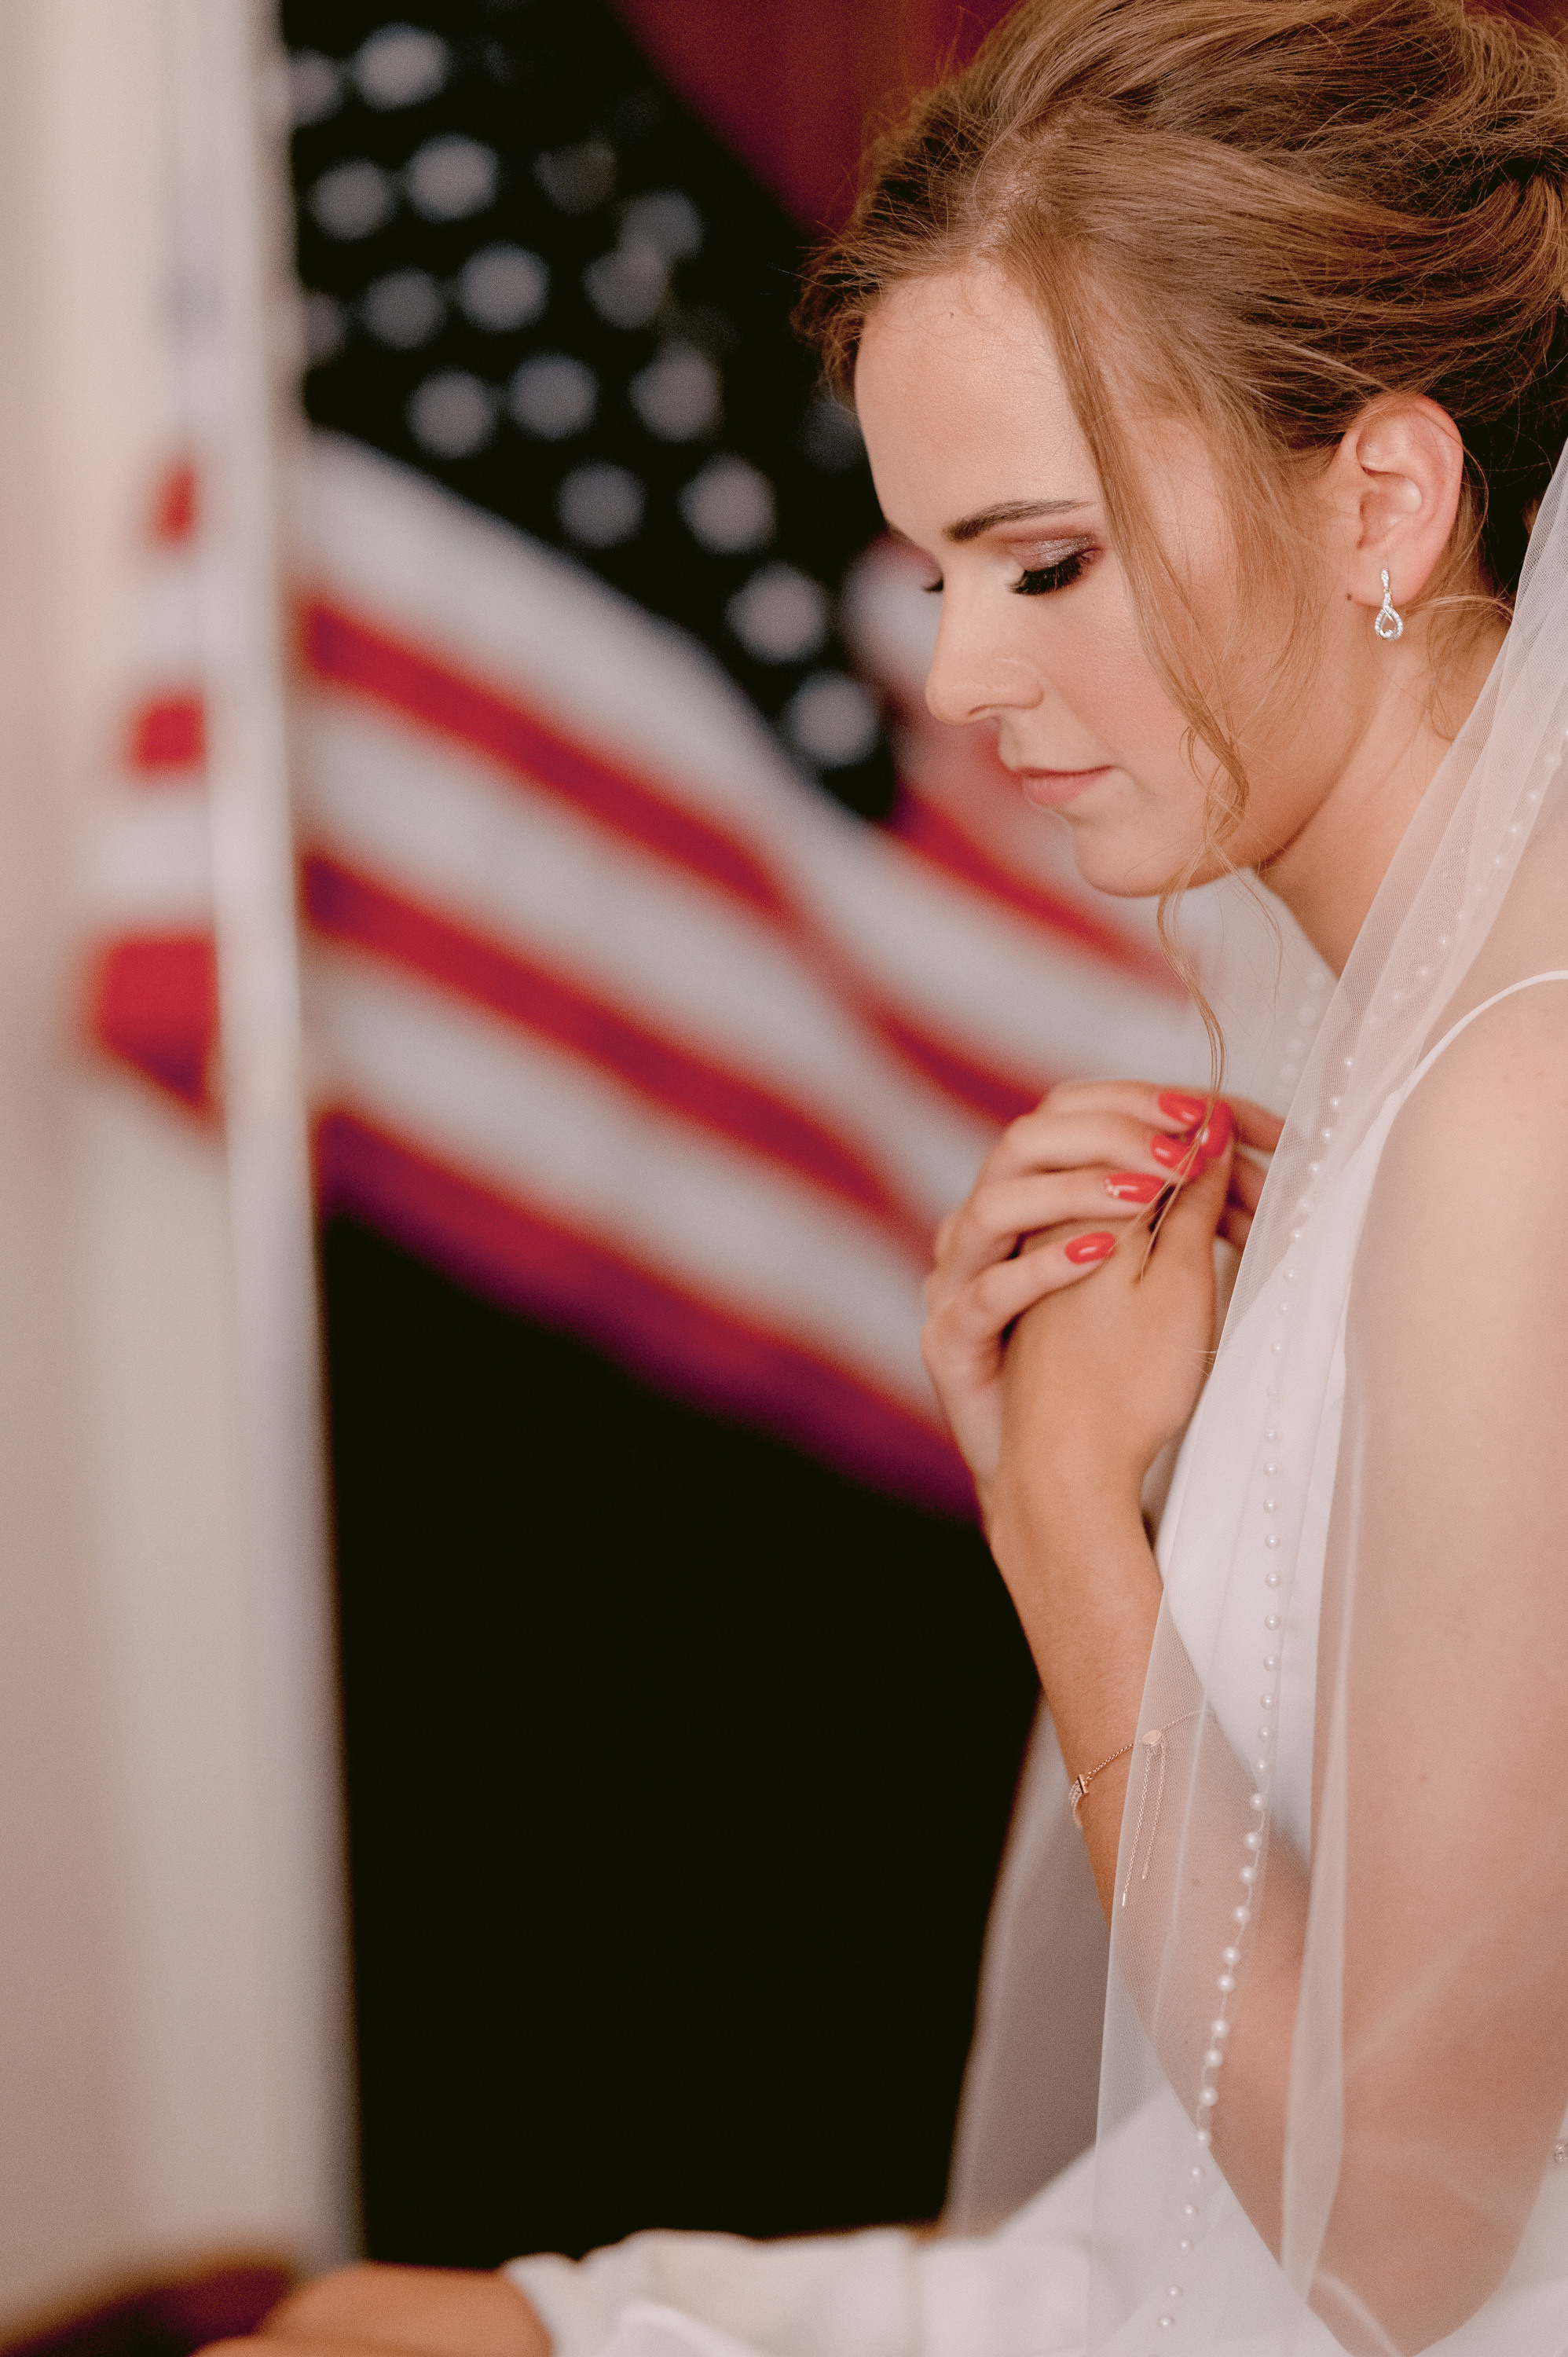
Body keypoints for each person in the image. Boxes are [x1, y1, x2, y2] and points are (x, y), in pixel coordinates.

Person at [223, 0, 1568, 2348]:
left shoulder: (1509, 1120)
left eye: (1036, 563)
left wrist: (1056, 1517)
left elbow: (1407, 2230)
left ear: (1379, 498)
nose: (950, 678)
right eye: (932, 571)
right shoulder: (1377, 1049)